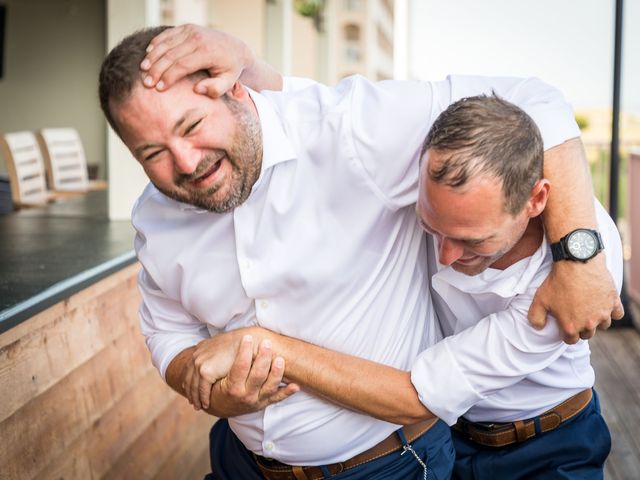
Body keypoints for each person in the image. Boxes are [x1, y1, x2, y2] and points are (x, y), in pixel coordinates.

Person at [98, 24, 621, 480]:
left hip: (484, 451)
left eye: (191, 126)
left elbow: (536, 103)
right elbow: (169, 332)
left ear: (232, 90)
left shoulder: (566, 283)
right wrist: (204, 386)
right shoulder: (153, 216)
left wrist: (581, 258)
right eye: (153, 153)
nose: (185, 161)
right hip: (247, 461)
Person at [195, 95, 621, 479]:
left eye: (473, 240)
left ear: (536, 199)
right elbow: (306, 110)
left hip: (548, 446)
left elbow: (416, 395)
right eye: (432, 228)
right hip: (447, 438)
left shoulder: (576, 279)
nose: (446, 256)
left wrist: (269, 346)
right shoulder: (427, 190)